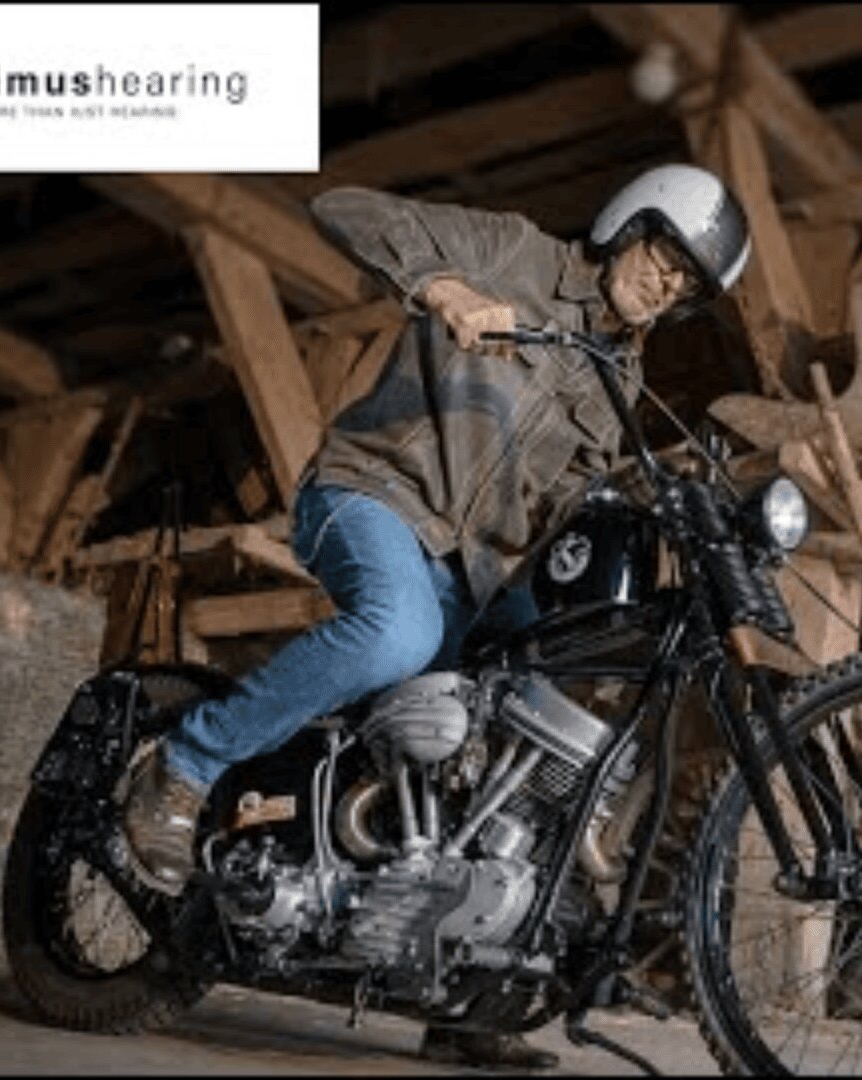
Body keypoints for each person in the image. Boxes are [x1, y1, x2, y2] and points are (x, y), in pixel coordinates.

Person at [118, 163, 751, 1069]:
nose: (666, 283)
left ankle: (468, 990)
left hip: (479, 569)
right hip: (374, 496)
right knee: (398, 633)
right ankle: (182, 765)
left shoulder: (619, 372)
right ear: (628, 223)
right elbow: (345, 208)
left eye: (688, 282)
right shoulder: (515, 252)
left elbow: (563, 500)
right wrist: (445, 288)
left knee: (546, 708)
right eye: (665, 254)